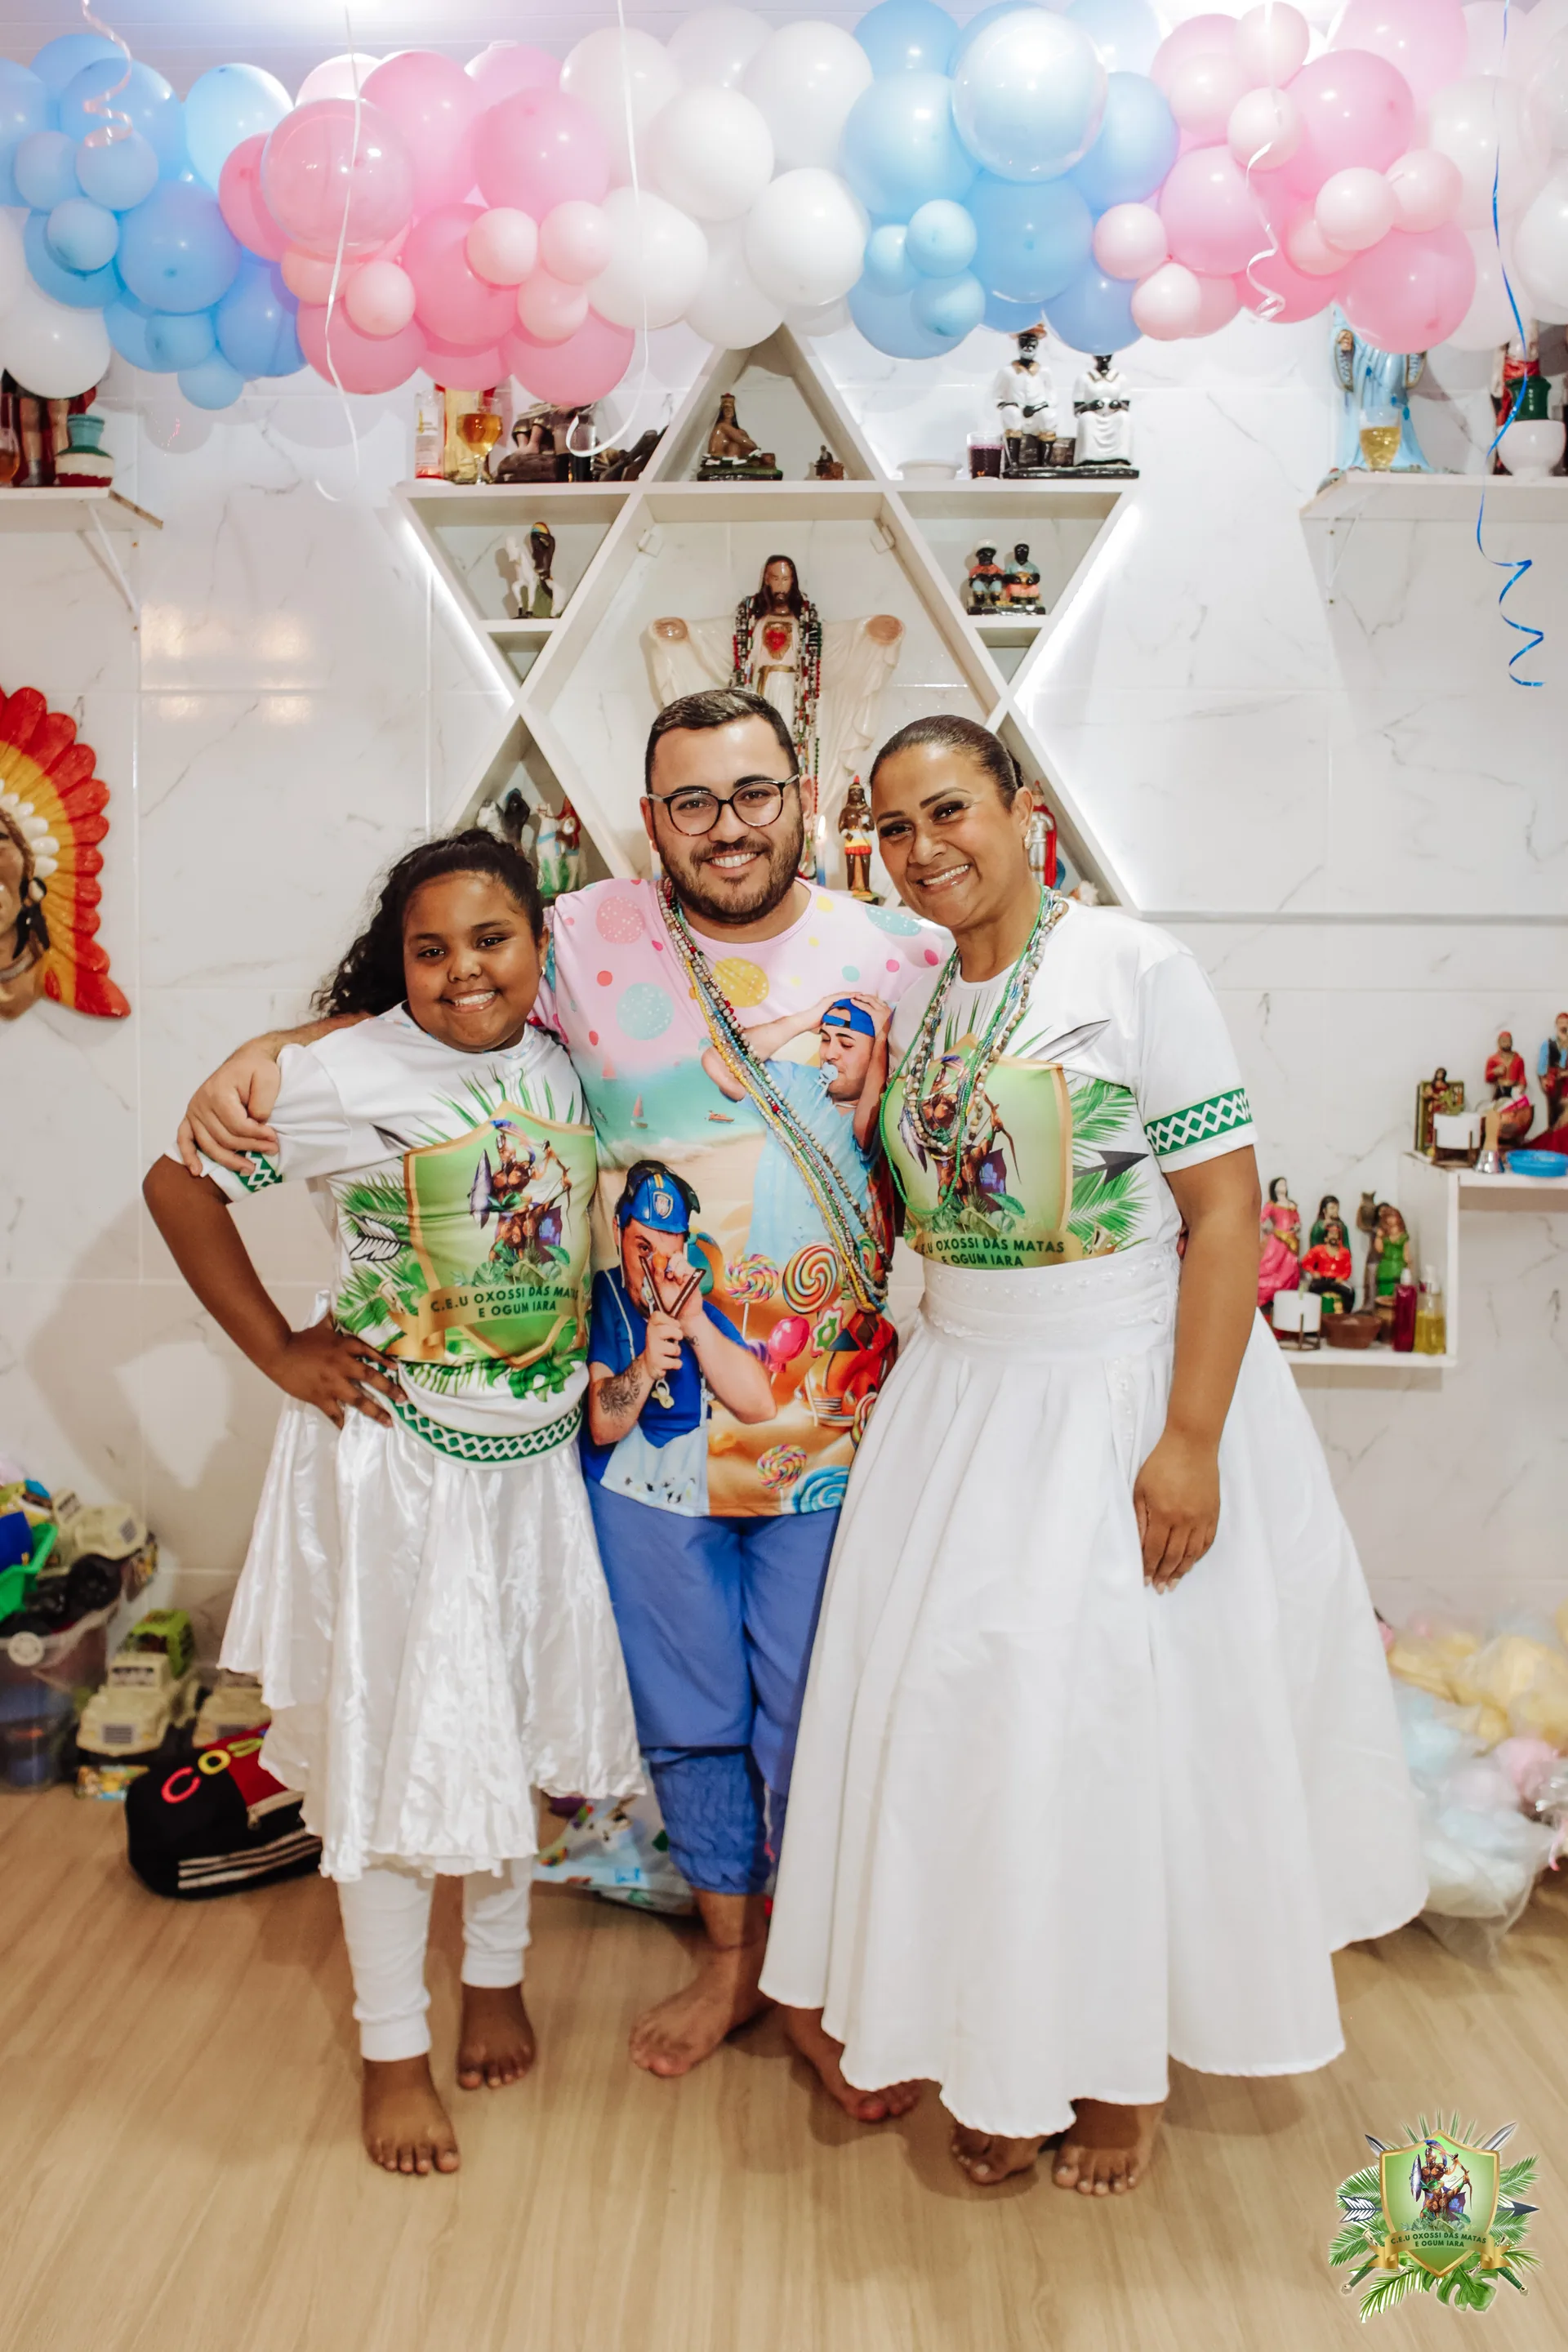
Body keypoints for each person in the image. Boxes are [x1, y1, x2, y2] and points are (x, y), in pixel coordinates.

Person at [174, 688, 945, 2096]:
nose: (727, 825)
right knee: (691, 1716)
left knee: (822, 1711)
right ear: (648, 822)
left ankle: (820, 1979)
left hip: (823, 1426)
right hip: (634, 1430)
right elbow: (448, 981)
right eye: (693, 801)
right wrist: (270, 1056)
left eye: (755, 792)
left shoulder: (906, 952)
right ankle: (727, 1960)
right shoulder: (589, 933)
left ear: (804, 792)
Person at [760, 715, 1426, 2194]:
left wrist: (1187, 1439)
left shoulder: (1133, 969)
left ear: (1023, 809)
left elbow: (1227, 1214)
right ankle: (1009, 2051)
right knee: (978, 1738)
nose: (924, 848)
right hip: (962, 1407)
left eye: (950, 811)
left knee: (1109, 1742)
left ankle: (1119, 2081)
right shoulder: (933, 997)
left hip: (1117, 1394)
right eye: (893, 828)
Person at [145, 832, 641, 2179]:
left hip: (531, 1469)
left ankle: (495, 1971)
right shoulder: (342, 1077)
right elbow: (177, 1185)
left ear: (539, 947)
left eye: (491, 940)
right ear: (396, 963)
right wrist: (276, 1351)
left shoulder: (561, 1066)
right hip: (394, 1472)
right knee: (387, 1756)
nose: (464, 970)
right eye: (430, 949)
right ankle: (390, 2047)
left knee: (507, 1731)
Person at [1256, 1175, 1301, 1308]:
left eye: (1284, 1185)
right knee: (1270, 1264)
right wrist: (1266, 1229)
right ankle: (1267, 1294)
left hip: (1290, 1241)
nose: (1283, 1187)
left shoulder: (1292, 1205)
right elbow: (1261, 1219)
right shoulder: (1272, 1205)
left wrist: (1297, 1227)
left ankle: (1284, 1294)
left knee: (1290, 1266)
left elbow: (1297, 1220)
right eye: (1280, 1185)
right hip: (1277, 1240)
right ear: (1274, 1188)